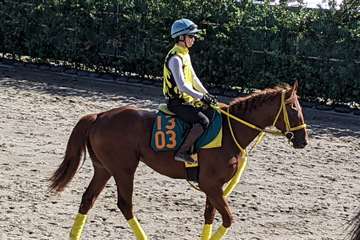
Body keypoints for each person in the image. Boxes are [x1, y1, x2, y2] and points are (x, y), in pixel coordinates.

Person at [162, 18, 217, 163]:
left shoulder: (185, 53)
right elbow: (182, 86)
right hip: (177, 103)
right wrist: (201, 97)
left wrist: (207, 95)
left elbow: (193, 78)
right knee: (203, 121)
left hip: (187, 100)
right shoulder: (175, 59)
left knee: (211, 112)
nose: (194, 39)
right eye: (191, 36)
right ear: (181, 37)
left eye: (194, 36)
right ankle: (182, 152)